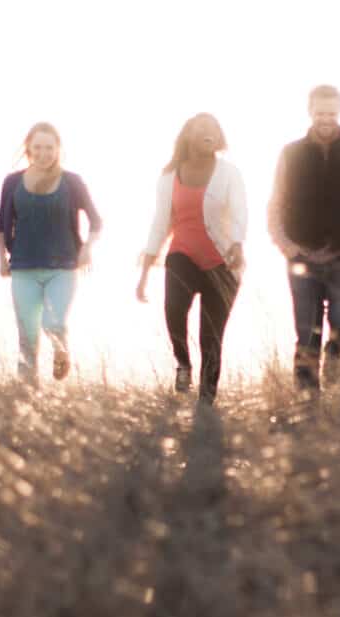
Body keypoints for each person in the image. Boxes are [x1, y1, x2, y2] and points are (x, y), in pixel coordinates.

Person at [267, 84, 340, 391]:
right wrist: (288, 248)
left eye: (331, 113)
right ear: (310, 112)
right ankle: (307, 409)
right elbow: (275, 206)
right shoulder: (290, 153)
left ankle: (335, 350)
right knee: (306, 336)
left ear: (339, 112)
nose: (326, 119)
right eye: (320, 113)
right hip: (301, 257)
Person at [136, 112, 246, 404]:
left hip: (222, 263)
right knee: (174, 310)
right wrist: (146, 270)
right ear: (188, 136)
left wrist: (236, 243)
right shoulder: (169, 176)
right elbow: (160, 222)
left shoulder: (229, 173)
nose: (208, 132)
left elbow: (239, 212)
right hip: (181, 254)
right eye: (201, 128)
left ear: (219, 137)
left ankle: (206, 402)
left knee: (211, 335)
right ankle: (183, 363)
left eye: (213, 127)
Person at [0, 123, 102, 383]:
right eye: (38, 148)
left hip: (62, 269)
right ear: (29, 149)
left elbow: (96, 221)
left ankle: (61, 351)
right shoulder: (12, 182)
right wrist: (1, 258)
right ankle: (26, 399)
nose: (44, 153)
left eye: (49, 148)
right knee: (27, 338)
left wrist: (87, 248)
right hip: (23, 269)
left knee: (53, 323)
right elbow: (2, 224)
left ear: (58, 150)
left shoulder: (72, 182)